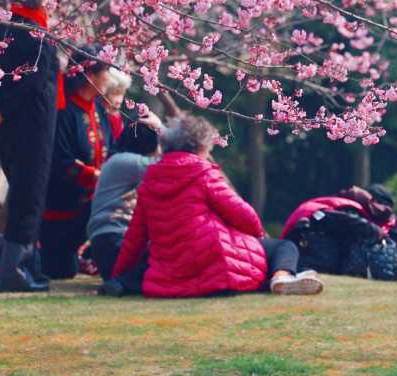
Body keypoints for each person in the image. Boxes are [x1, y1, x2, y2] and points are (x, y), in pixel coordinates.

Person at [110, 115, 324, 297]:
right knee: (284, 247)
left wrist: (117, 275)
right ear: (201, 146)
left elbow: (134, 239)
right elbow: (245, 216)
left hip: (171, 273)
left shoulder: (149, 181)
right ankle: (281, 277)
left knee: (149, 258)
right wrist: (258, 239)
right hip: (215, 263)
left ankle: (120, 285)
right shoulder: (203, 174)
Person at [0, 0, 59, 293]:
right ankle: (14, 271)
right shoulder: (38, 37)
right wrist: (2, 110)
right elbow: (34, 84)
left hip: (4, 129)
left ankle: (23, 265)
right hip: (33, 126)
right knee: (30, 194)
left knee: (20, 190)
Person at [39, 45, 115, 279]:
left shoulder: (100, 111)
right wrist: (98, 178)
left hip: (97, 200)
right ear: (90, 75)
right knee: (60, 271)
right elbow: (61, 161)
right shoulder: (64, 112)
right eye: (106, 72)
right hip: (65, 208)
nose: (109, 78)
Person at [87, 115, 162, 281]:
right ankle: (123, 283)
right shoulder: (126, 162)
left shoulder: (119, 162)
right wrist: (162, 130)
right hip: (115, 241)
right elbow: (170, 165)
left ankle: (122, 282)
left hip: (112, 241)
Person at [102, 68, 133, 139]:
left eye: (121, 94)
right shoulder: (97, 112)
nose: (119, 100)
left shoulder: (116, 115)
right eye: (114, 94)